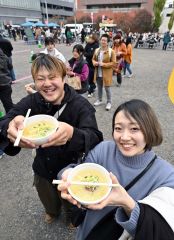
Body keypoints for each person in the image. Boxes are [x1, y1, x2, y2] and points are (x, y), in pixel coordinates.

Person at [0, 54, 103, 225]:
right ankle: (52, 211)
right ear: (35, 82)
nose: (47, 84)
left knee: (72, 202)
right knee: (47, 197)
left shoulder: (81, 105)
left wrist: (72, 134)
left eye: (52, 77)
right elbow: (5, 120)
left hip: (71, 169)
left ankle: (72, 217)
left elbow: (95, 138)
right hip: (43, 166)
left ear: (64, 78)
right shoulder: (32, 101)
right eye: (40, 79)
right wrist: (8, 126)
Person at [58, 99, 174, 240]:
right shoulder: (104, 149)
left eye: (134, 129)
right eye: (118, 128)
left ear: (150, 130)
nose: (124, 137)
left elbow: (159, 232)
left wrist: (127, 203)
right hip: (87, 232)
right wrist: (67, 174)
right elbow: (79, 171)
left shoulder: (167, 176)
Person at [92, 34, 116, 111]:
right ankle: (99, 100)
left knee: (107, 88)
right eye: (102, 40)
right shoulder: (97, 50)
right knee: (99, 87)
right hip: (98, 72)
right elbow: (93, 59)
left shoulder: (111, 51)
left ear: (108, 42)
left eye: (105, 40)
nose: (103, 42)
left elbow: (113, 63)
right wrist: (94, 62)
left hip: (107, 74)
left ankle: (109, 102)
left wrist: (104, 64)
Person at [0, 48, 13, 159]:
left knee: (9, 107)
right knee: (8, 106)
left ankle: (10, 127)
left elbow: (10, 66)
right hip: (6, 84)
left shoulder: (3, 57)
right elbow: (10, 67)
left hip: (4, 85)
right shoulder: (4, 56)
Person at [84, 34, 99, 98]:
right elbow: (84, 52)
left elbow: (93, 54)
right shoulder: (87, 44)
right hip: (87, 63)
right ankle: (93, 87)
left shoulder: (96, 45)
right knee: (88, 76)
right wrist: (87, 54)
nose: (89, 39)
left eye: (90, 38)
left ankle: (91, 91)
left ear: (93, 39)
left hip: (93, 64)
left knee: (92, 77)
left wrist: (87, 54)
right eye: (89, 38)